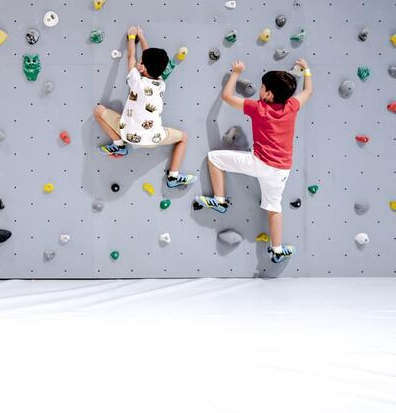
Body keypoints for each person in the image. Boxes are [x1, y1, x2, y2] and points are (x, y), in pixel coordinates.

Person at [194, 59, 313, 263]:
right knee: (274, 208)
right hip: (282, 169)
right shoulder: (292, 106)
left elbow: (226, 97)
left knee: (214, 158)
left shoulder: (258, 108)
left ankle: (219, 200)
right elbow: (308, 92)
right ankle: (276, 250)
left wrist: (236, 72)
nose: (260, 89)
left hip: (259, 163)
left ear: (268, 94)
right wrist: (307, 70)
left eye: (262, 86)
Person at [93, 26, 197, 188]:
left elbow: (130, 56)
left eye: (141, 63)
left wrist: (132, 37)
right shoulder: (161, 84)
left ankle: (119, 145)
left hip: (127, 134)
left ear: (142, 67)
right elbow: (144, 60)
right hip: (154, 138)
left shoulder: (136, 80)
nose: (138, 63)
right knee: (183, 137)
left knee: (98, 111)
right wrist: (141, 36)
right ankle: (173, 177)